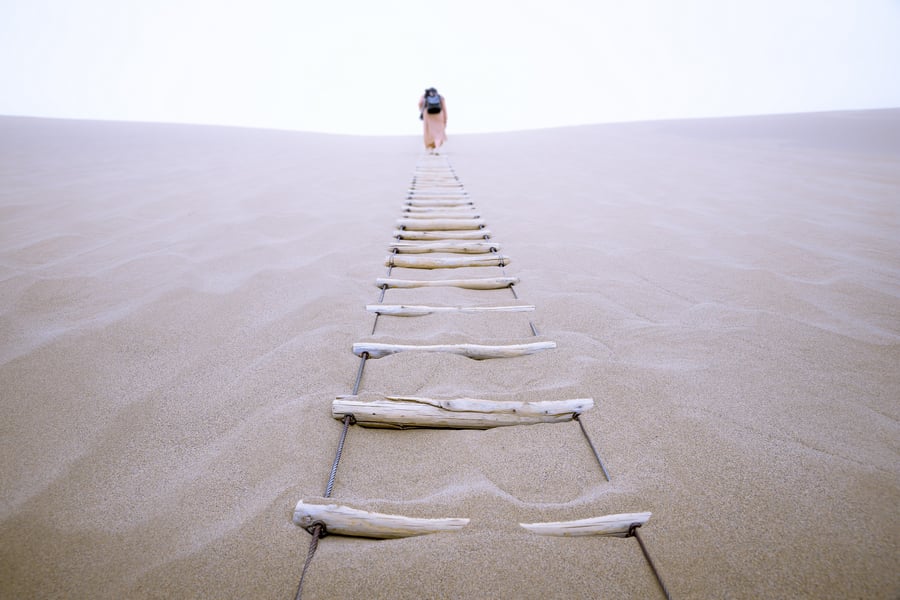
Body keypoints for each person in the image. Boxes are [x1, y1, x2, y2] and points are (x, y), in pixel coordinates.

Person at [418, 87, 447, 154]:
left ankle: (430, 148)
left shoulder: (424, 96)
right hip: (439, 114)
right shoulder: (440, 97)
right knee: (438, 132)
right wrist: (445, 119)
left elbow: (419, 103)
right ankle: (437, 148)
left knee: (428, 132)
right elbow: (444, 109)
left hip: (427, 114)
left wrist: (421, 110)